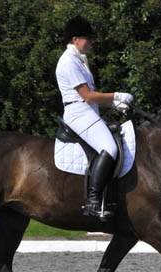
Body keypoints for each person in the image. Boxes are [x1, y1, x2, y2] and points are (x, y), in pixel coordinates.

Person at [55, 15, 134, 219]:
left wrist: (115, 104)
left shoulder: (80, 60)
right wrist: (116, 95)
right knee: (110, 148)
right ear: (75, 39)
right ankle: (92, 201)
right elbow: (87, 96)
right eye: (87, 38)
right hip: (78, 113)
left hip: (88, 112)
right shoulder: (68, 62)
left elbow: (94, 97)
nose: (91, 42)